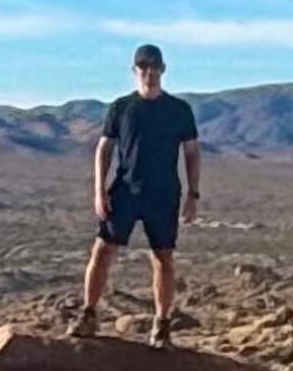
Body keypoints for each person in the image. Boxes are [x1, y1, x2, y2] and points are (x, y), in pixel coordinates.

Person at [78, 46, 201, 340]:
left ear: (163, 69)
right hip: (125, 191)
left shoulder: (179, 110)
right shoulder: (121, 108)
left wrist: (193, 195)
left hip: (163, 193)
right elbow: (104, 148)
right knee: (103, 249)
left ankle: (162, 325)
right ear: (134, 71)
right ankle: (88, 314)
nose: (149, 72)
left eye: (154, 66)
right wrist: (99, 190)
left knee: (163, 258)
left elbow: (192, 152)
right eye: (143, 66)